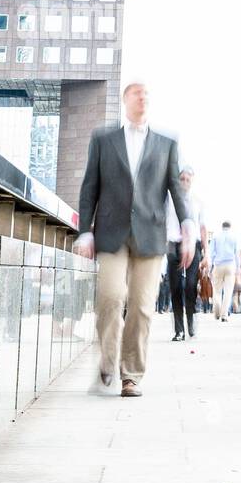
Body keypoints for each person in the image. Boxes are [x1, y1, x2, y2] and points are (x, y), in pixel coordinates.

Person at [75, 81, 193, 397]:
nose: (143, 97)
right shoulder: (103, 139)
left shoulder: (167, 142)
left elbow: (176, 188)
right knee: (111, 298)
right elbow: (89, 187)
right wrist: (85, 230)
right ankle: (107, 361)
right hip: (111, 232)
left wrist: (188, 225)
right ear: (125, 100)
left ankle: (132, 374)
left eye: (146, 94)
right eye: (136, 93)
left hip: (151, 234)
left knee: (141, 306)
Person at [166, 165, 206, 342]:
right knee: (174, 287)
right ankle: (179, 330)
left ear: (192, 181)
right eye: (181, 179)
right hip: (173, 244)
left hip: (194, 245)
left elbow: (203, 228)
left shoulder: (198, 201)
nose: (184, 182)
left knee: (190, 285)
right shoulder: (169, 199)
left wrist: (206, 253)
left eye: (187, 179)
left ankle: (190, 321)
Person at [210, 221, 239, 321]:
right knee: (228, 291)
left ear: (222, 227)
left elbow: (212, 253)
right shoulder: (234, 237)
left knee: (217, 290)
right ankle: (224, 315)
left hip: (218, 265)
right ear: (230, 227)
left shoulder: (216, 236)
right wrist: (238, 268)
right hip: (230, 265)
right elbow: (237, 254)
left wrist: (210, 267)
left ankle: (217, 308)